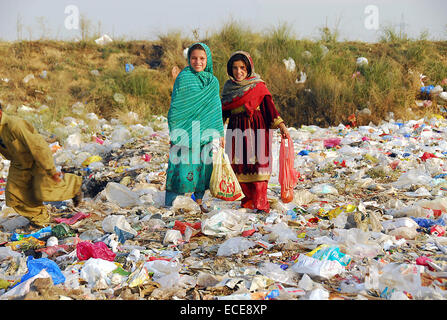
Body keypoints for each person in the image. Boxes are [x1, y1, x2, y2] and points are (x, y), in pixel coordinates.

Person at [221, 51, 290, 213]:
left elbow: (270, 109)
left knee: (259, 165)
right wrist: (217, 132)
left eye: (242, 68)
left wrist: (282, 127)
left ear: (249, 67)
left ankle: (260, 203)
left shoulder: (259, 86)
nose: (239, 72)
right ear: (230, 70)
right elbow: (223, 113)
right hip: (236, 131)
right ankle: (248, 201)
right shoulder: (229, 89)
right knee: (239, 165)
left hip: (257, 130)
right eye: (235, 68)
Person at [0, 103, 83, 227]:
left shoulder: (15, 125)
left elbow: (39, 147)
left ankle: (74, 185)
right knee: (14, 196)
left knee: (45, 191)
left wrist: (51, 171)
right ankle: (42, 220)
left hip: (35, 160)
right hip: (19, 164)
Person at [165, 42, 224, 213]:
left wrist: (220, 133)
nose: (198, 62)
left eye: (202, 58)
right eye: (194, 58)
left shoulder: (212, 82)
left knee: (202, 167)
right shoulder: (183, 78)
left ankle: (198, 200)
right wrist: (175, 129)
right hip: (183, 131)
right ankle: (172, 202)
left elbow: (215, 108)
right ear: (189, 59)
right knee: (179, 167)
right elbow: (176, 106)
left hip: (204, 131)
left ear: (208, 60)